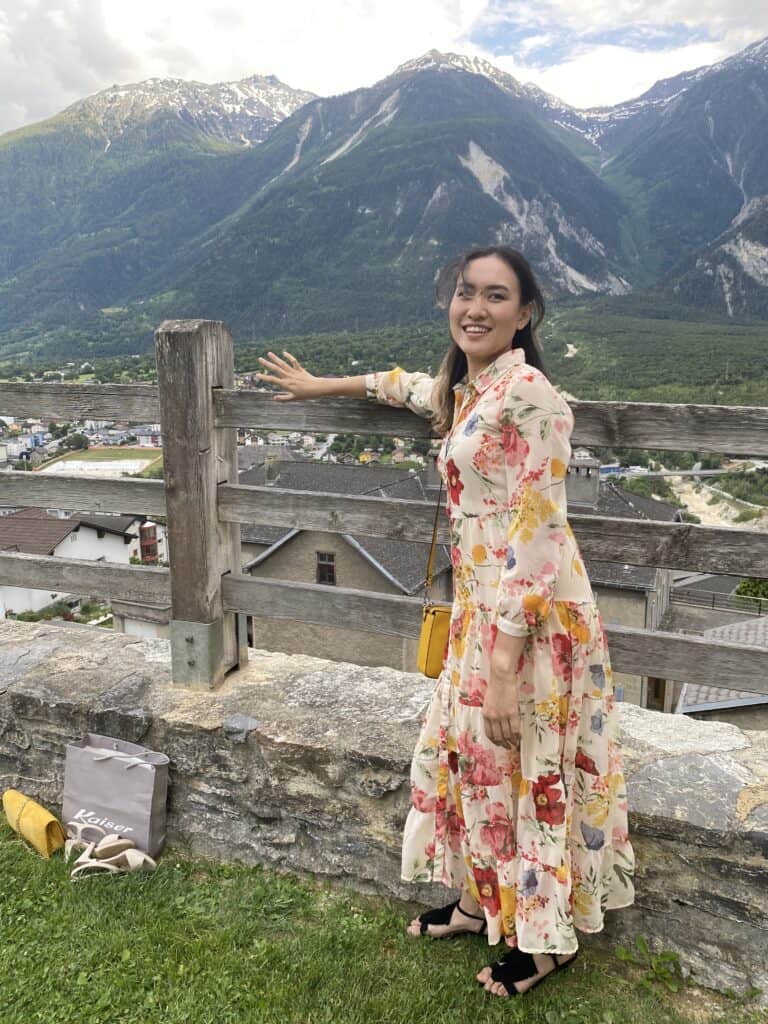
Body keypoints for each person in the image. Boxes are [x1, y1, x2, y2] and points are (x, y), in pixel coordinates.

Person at [254, 245, 635, 999]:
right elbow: (407, 385)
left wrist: (501, 664)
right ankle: (476, 900)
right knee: (471, 759)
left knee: (530, 767)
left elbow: (542, 536)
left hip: (527, 622)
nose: (476, 308)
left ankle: (546, 939)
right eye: (466, 292)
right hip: (479, 610)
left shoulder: (531, 395)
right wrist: (320, 384)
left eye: (496, 297)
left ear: (525, 315)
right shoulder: (473, 388)